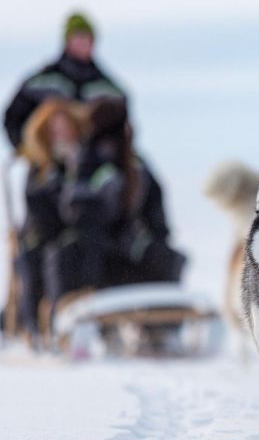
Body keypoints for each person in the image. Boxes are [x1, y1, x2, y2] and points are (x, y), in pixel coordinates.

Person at [43, 99, 186, 312]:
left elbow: (156, 215)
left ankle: (161, 322)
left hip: (120, 251)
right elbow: (78, 212)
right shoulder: (87, 163)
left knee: (165, 257)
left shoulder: (133, 167)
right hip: (98, 255)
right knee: (66, 256)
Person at [9, 98, 91, 338]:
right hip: (43, 236)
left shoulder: (85, 164)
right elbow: (38, 208)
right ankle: (37, 327)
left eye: (65, 128)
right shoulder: (39, 170)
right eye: (54, 130)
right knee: (41, 258)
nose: (61, 135)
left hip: (78, 237)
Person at [3, 12, 126, 150]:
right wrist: (27, 148)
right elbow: (13, 117)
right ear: (67, 41)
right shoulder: (42, 81)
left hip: (91, 159)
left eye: (87, 38)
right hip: (49, 157)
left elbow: (122, 127)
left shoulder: (108, 89)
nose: (83, 43)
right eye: (78, 37)